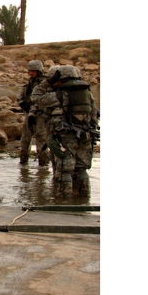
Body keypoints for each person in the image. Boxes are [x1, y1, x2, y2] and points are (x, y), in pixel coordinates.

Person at [43, 65, 99, 199]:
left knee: (64, 172)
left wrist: (47, 82)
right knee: (81, 170)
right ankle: (84, 202)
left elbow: (36, 97)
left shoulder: (57, 95)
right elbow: (94, 115)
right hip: (85, 136)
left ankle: (63, 203)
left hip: (65, 138)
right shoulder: (88, 95)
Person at [17, 60, 49, 165]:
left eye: (33, 71)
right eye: (29, 71)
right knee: (25, 138)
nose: (31, 73)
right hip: (29, 112)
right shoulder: (30, 82)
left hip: (40, 114)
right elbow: (22, 94)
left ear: (39, 71)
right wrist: (22, 103)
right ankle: (23, 161)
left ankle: (43, 165)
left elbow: (44, 99)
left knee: (41, 138)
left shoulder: (45, 83)